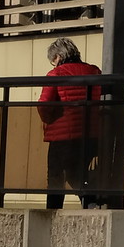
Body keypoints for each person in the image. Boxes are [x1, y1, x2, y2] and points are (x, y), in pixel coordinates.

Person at [36, 38, 102, 210]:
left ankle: (53, 213)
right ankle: (91, 203)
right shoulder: (94, 71)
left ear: (58, 56)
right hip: (91, 134)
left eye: (53, 61)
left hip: (62, 137)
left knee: (56, 178)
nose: (54, 65)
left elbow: (44, 105)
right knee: (78, 172)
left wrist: (48, 120)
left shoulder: (56, 74)